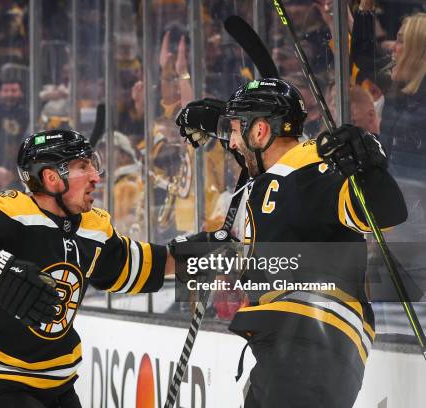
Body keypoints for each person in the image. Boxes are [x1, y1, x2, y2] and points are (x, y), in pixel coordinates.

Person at [173, 78, 407, 408]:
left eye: (237, 130)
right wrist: (216, 120)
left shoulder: (314, 167)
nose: (232, 142)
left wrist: (370, 166)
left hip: (315, 340)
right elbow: (259, 162)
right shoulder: (278, 172)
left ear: (260, 132)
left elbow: (387, 211)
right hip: (285, 345)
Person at [0, 129, 175, 407]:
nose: (96, 176)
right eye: (83, 166)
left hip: (58, 383)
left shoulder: (94, 226)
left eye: (93, 165)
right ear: (51, 177)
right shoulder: (1, 211)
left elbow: (134, 263)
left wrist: (203, 253)